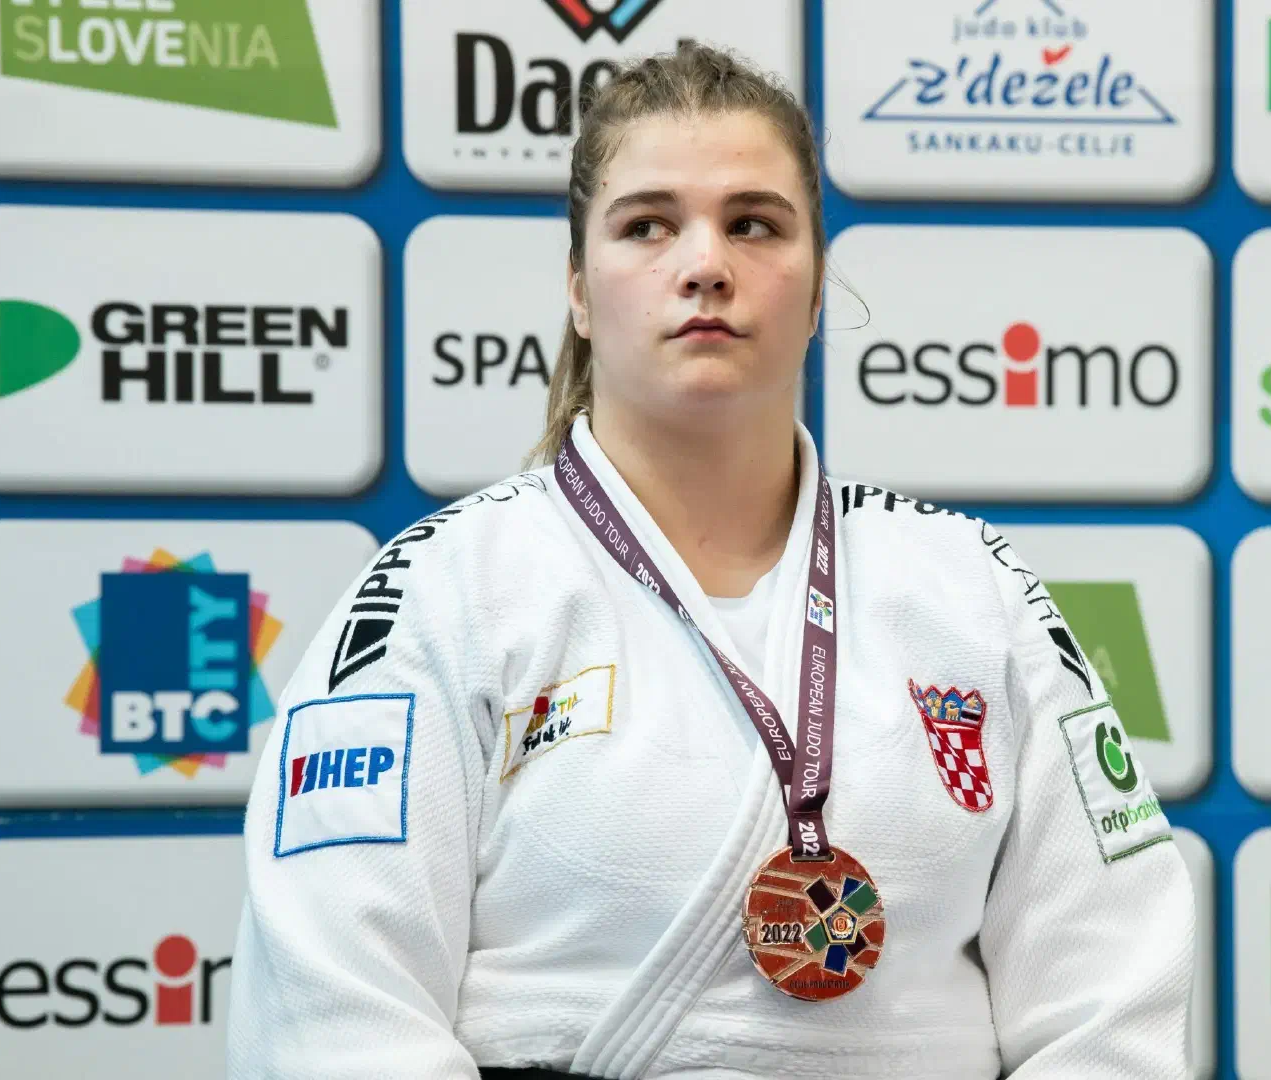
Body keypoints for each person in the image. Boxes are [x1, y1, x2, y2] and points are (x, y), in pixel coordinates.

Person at [226, 41, 1195, 1080]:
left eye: (753, 224)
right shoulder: (444, 590)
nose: (705, 265)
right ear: (579, 293)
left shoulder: (971, 590)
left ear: (815, 290)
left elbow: (1112, 998)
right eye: (648, 225)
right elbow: (338, 1013)